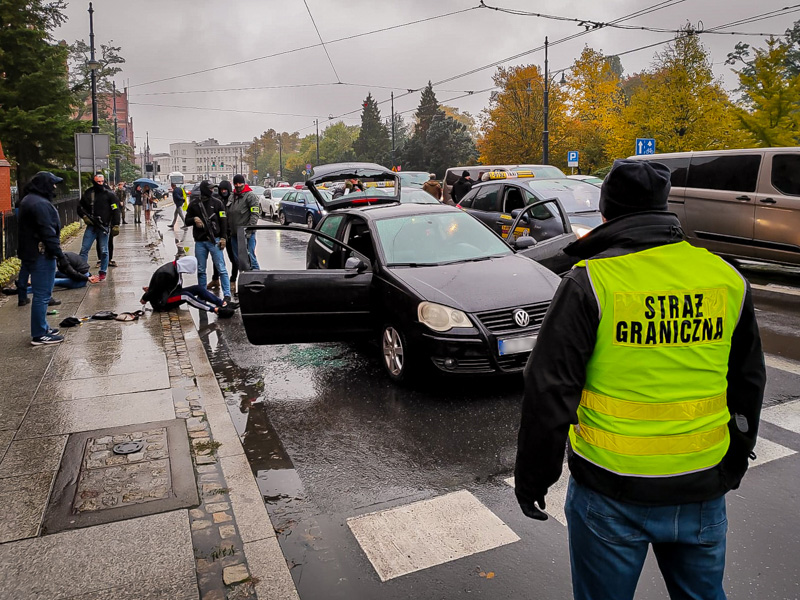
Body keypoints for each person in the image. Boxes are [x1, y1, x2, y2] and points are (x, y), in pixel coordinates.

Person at [514, 159, 766, 600]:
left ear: (606, 212)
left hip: (611, 490)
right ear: (663, 206)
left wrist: (535, 477)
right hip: (702, 483)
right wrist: (735, 460)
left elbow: (549, 389)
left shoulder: (591, 283)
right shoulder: (725, 277)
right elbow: (748, 381)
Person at [17, 172, 66, 345]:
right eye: (53, 184)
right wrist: (60, 255)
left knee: (42, 293)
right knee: (42, 294)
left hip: (32, 252)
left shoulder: (29, 199)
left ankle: (43, 327)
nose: (54, 187)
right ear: (45, 184)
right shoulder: (39, 204)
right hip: (41, 254)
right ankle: (39, 333)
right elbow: (47, 232)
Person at [140, 256, 235, 317]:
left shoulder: (176, 269)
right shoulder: (167, 273)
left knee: (198, 288)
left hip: (169, 294)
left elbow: (161, 286)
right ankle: (214, 310)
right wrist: (145, 298)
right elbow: (154, 290)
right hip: (161, 302)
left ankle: (222, 303)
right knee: (186, 296)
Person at [186, 180, 233, 303]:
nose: (212, 190)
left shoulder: (217, 203)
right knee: (201, 270)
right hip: (200, 241)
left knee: (221, 268)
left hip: (215, 240)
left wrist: (223, 237)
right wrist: (194, 219)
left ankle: (227, 294)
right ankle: (203, 294)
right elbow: (186, 220)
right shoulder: (194, 204)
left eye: (213, 188)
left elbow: (223, 221)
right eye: (210, 188)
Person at [78, 172, 120, 282]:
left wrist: (116, 224)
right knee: (84, 249)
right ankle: (82, 271)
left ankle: (103, 272)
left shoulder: (109, 194)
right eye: (98, 182)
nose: (100, 184)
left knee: (104, 251)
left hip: (104, 227)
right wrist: (84, 217)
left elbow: (115, 209)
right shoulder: (89, 193)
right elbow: (80, 207)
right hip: (92, 226)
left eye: (102, 182)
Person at [228, 175, 261, 291]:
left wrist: (249, 230)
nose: (237, 186)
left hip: (246, 234)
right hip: (234, 234)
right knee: (239, 261)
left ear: (244, 183)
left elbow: (255, 214)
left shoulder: (250, 196)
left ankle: (258, 281)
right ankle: (245, 284)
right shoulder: (232, 196)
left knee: (250, 258)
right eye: (235, 184)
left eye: (239, 183)